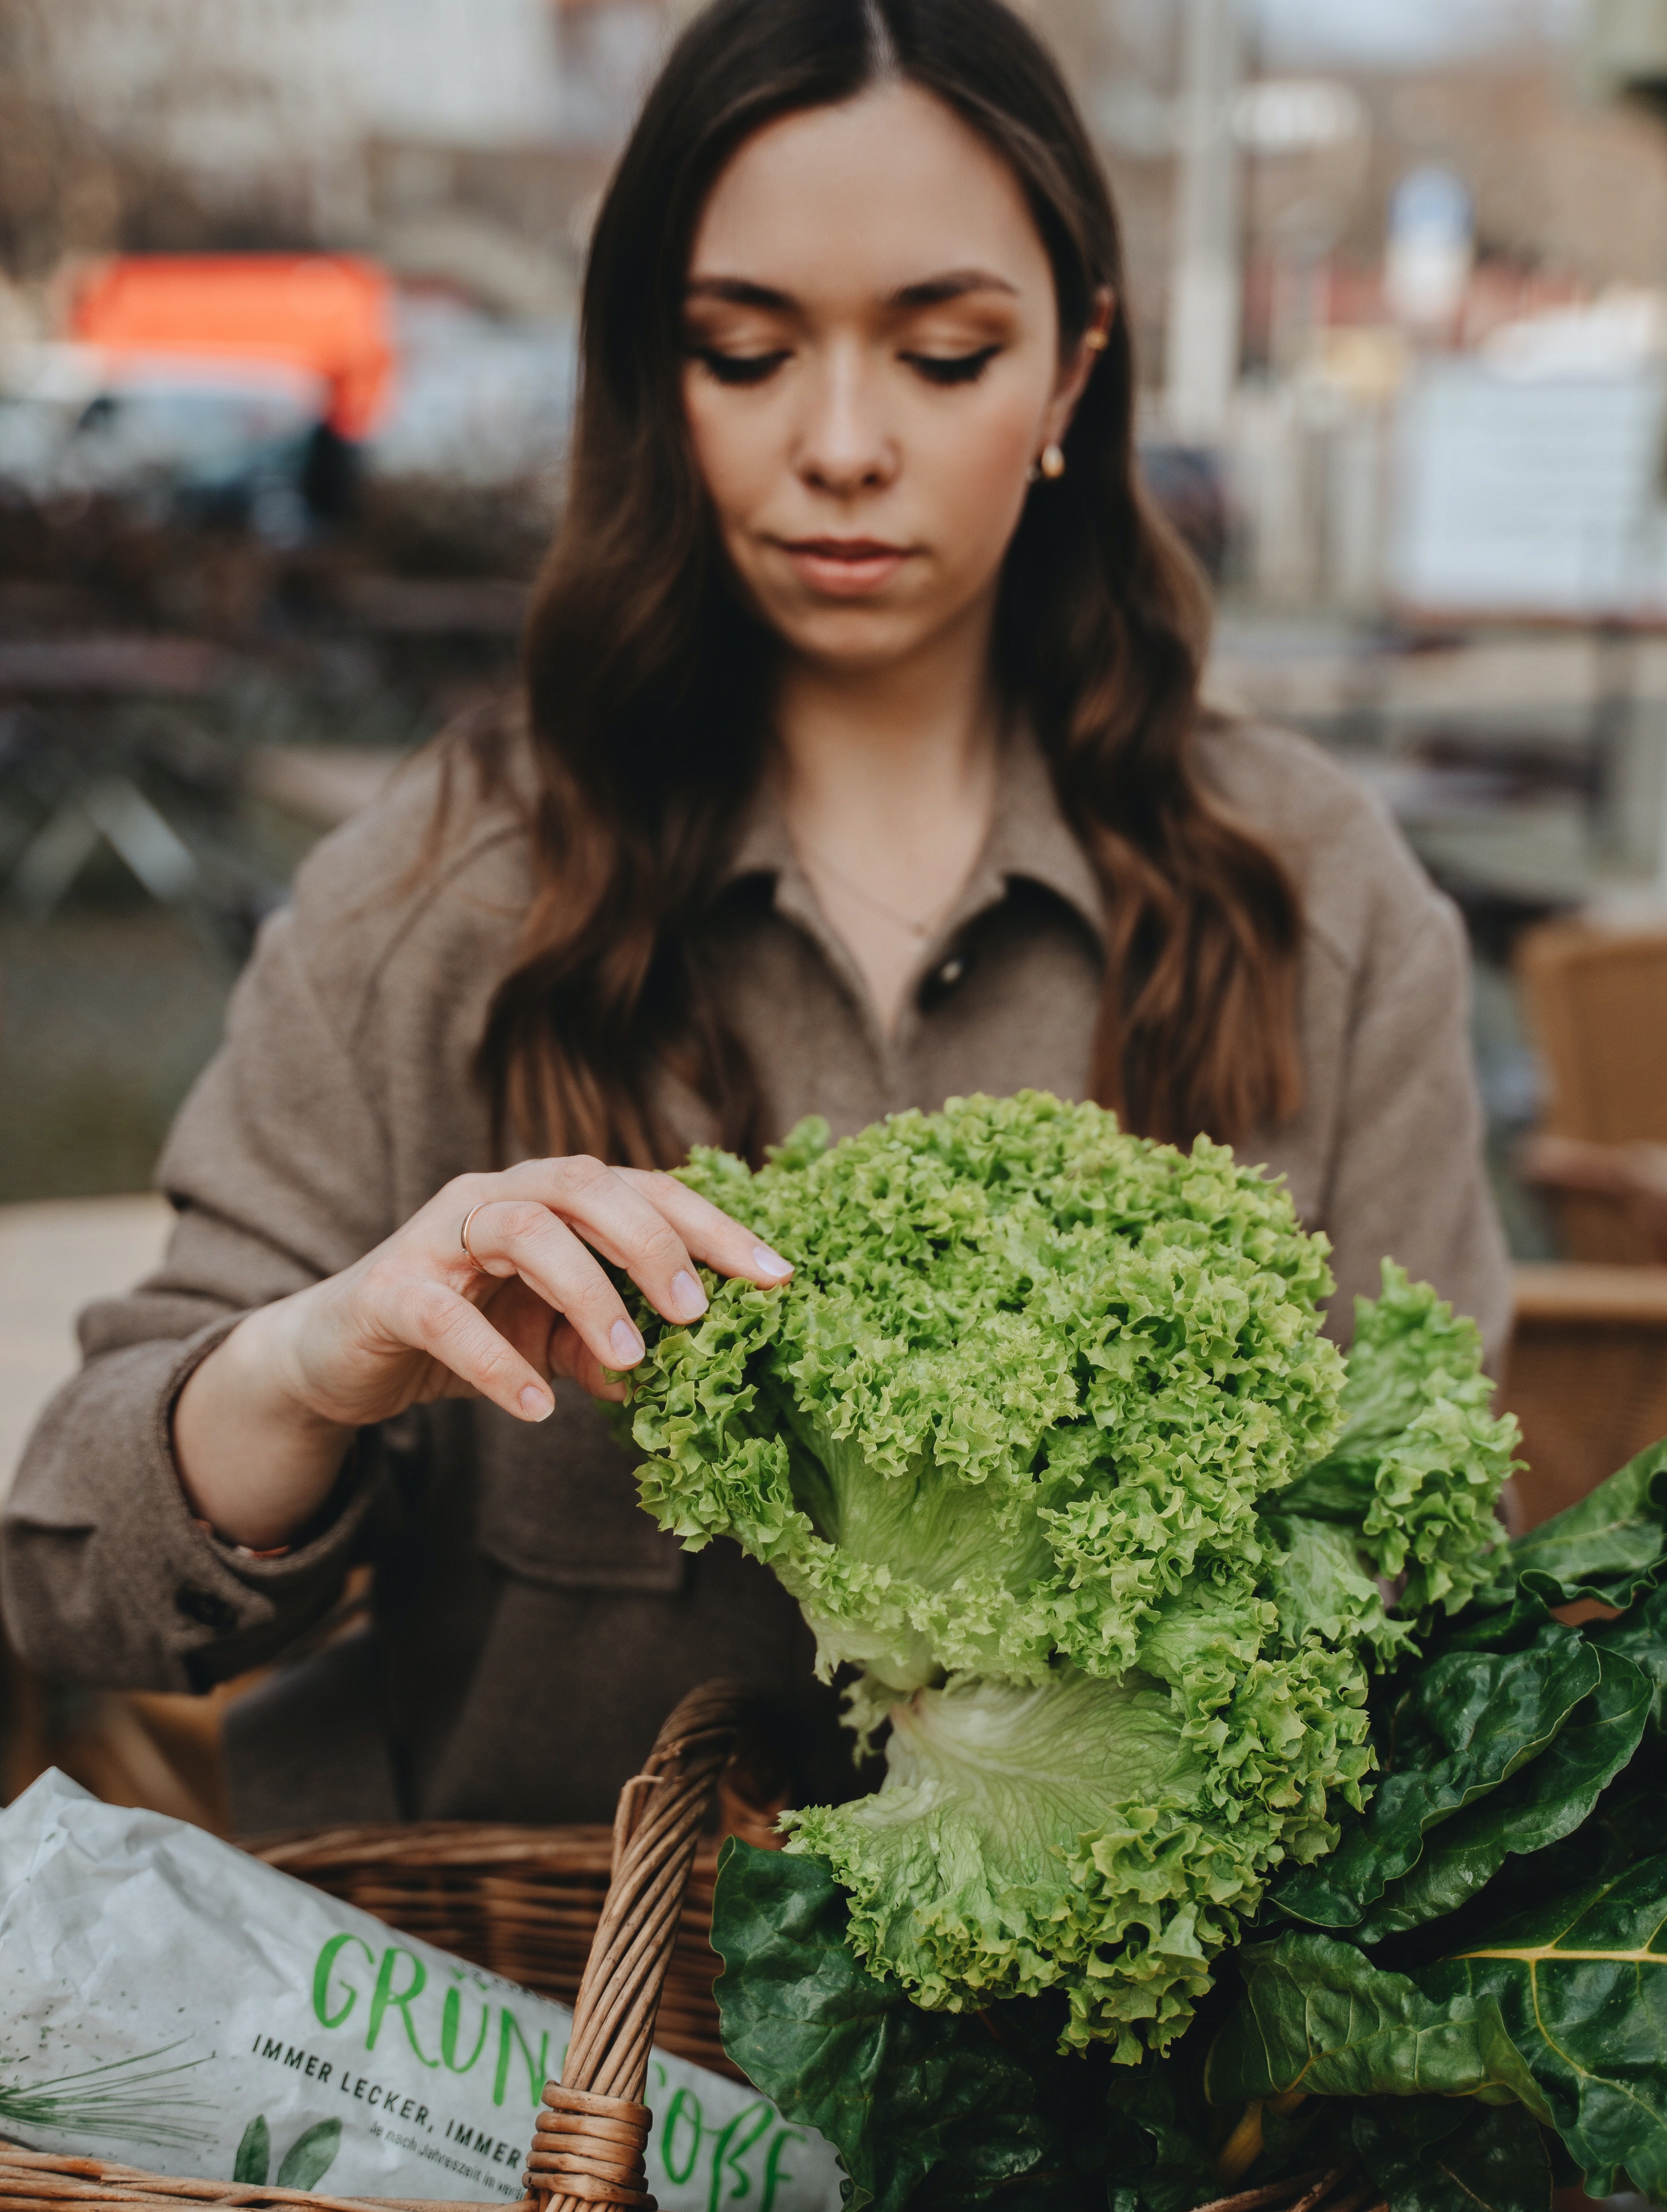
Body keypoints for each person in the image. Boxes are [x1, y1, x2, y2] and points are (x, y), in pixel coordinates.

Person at [1, 0, 1509, 1837]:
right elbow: (75, 1570)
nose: (845, 444)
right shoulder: (443, 892)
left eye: (947, 355)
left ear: (1076, 368)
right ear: (656, 369)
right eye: (746, 351)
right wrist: (318, 1357)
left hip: (1133, 2112)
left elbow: (1442, 1572)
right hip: (535, 2066)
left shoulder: (1318, 897)